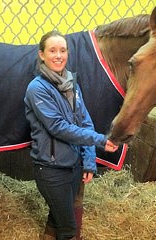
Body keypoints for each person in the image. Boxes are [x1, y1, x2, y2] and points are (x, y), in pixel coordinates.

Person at [24, 30, 118, 240]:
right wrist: (101, 140)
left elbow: (84, 122)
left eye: (63, 50)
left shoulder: (71, 84)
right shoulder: (37, 89)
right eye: (52, 50)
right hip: (51, 169)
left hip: (73, 166)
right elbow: (58, 127)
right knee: (68, 229)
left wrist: (89, 161)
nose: (58, 55)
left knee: (55, 219)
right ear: (41, 55)